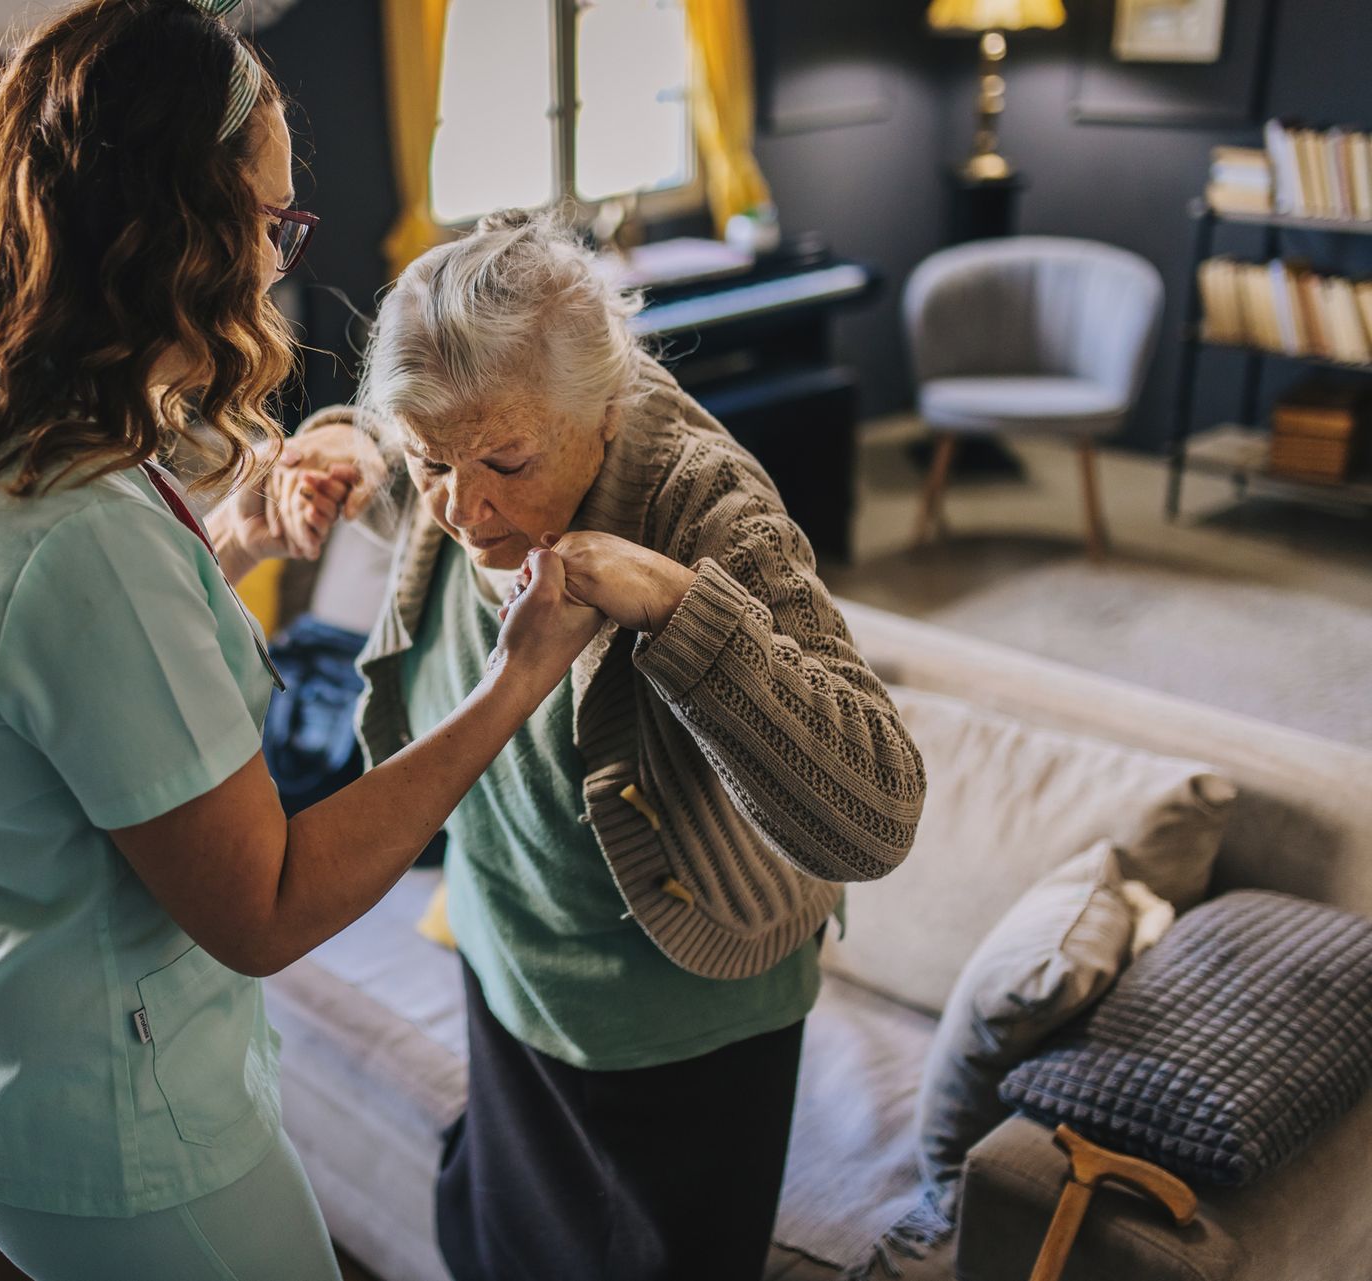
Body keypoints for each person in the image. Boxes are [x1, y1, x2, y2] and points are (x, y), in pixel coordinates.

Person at [0, 8, 601, 1279]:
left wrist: (228, 543)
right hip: (110, 1109)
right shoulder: (75, 538)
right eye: (270, 220)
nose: (278, 257)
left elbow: (53, 681)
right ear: (175, 225)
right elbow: (263, 907)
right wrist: (519, 675)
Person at [276, 210, 928, 1281]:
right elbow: (445, 438)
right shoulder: (456, 465)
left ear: (608, 409)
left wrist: (678, 608)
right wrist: (362, 448)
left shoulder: (709, 509)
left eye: (508, 462)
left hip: (679, 1027)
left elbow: (878, 811)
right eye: (432, 461)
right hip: (507, 959)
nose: (468, 509)